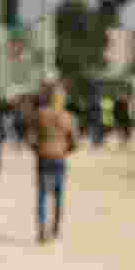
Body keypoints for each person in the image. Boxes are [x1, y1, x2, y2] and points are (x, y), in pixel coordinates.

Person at [28, 83, 78, 243]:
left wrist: (37, 149)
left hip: (43, 157)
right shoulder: (68, 117)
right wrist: (65, 150)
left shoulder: (39, 114)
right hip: (59, 158)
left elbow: (30, 138)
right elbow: (74, 141)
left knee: (42, 195)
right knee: (58, 195)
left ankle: (42, 228)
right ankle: (55, 227)